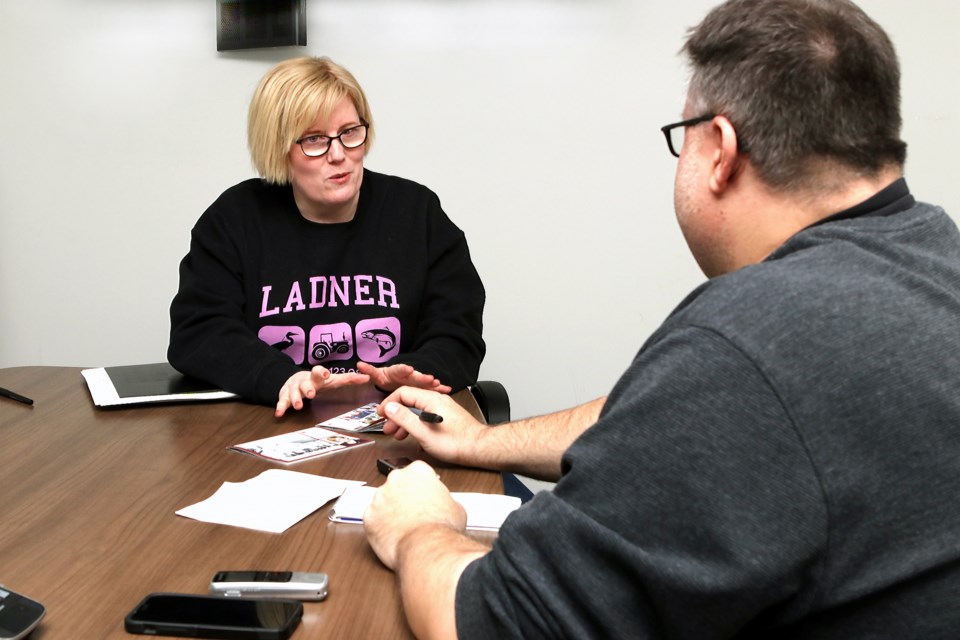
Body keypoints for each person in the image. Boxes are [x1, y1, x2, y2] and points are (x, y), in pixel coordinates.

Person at [362, 0, 960, 637]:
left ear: (721, 150)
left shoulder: (745, 341)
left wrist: (419, 528)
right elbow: (672, 420)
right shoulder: (928, 260)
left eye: (685, 138)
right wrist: (481, 442)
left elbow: (491, 624)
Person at [167, 57, 485, 417]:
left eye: (350, 132)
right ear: (278, 146)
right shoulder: (234, 219)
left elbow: (459, 331)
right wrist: (282, 378)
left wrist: (414, 373)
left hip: (393, 417)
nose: (339, 155)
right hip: (278, 419)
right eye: (315, 139)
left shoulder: (416, 212)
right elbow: (198, 333)